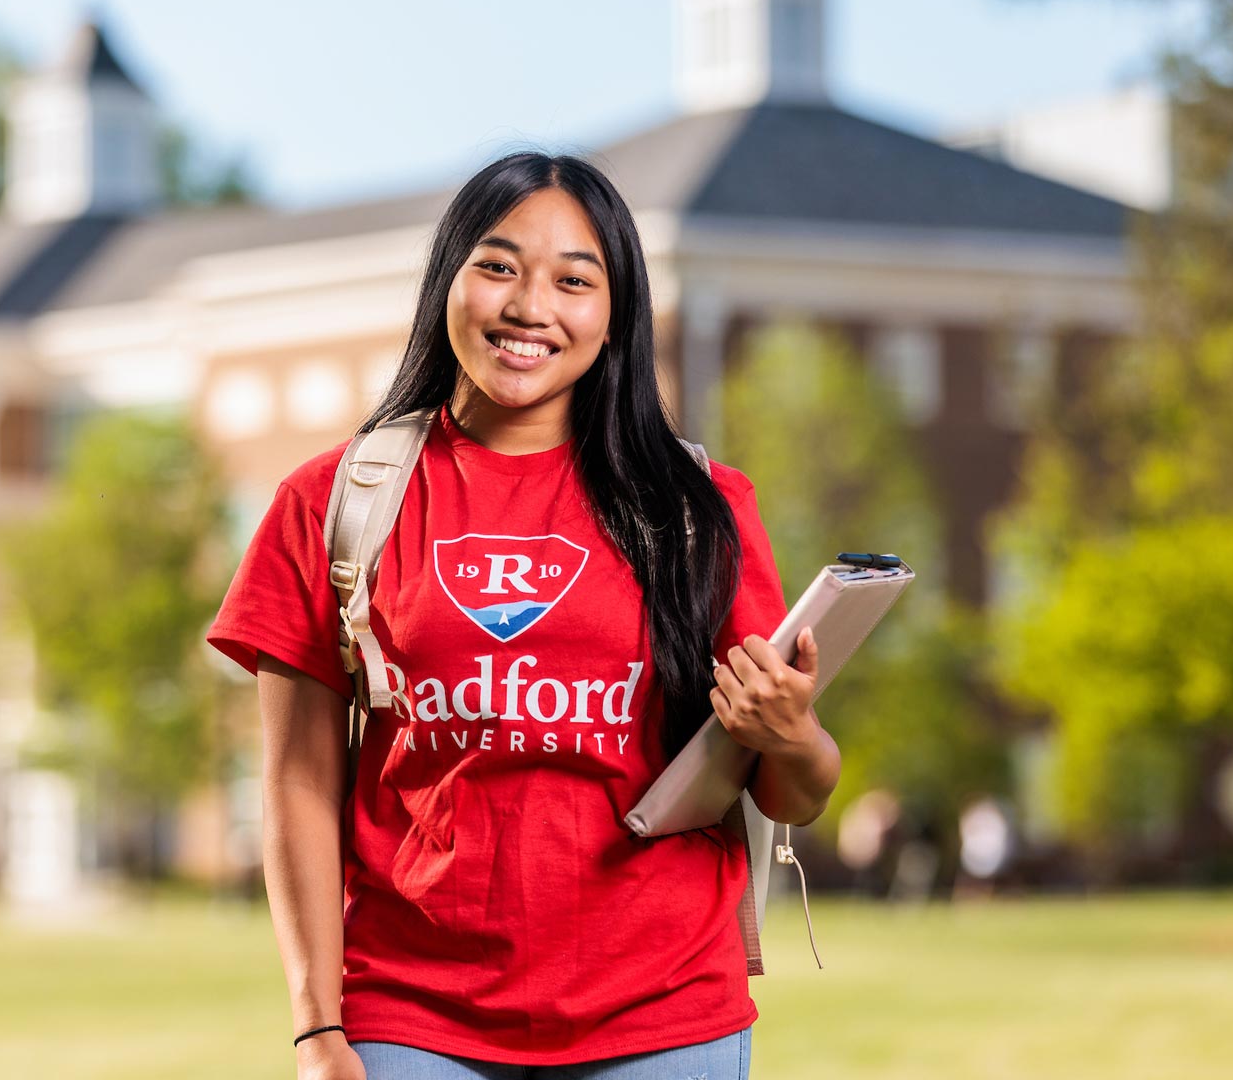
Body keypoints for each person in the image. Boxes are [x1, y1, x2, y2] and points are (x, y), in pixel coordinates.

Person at [206, 151, 841, 1079]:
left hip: (664, 1015)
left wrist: (790, 734)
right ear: (447, 282)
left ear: (615, 313)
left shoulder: (701, 508)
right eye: (498, 266)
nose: (529, 307)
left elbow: (798, 791)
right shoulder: (335, 502)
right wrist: (317, 1026)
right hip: (413, 1017)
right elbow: (298, 786)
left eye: (574, 281)